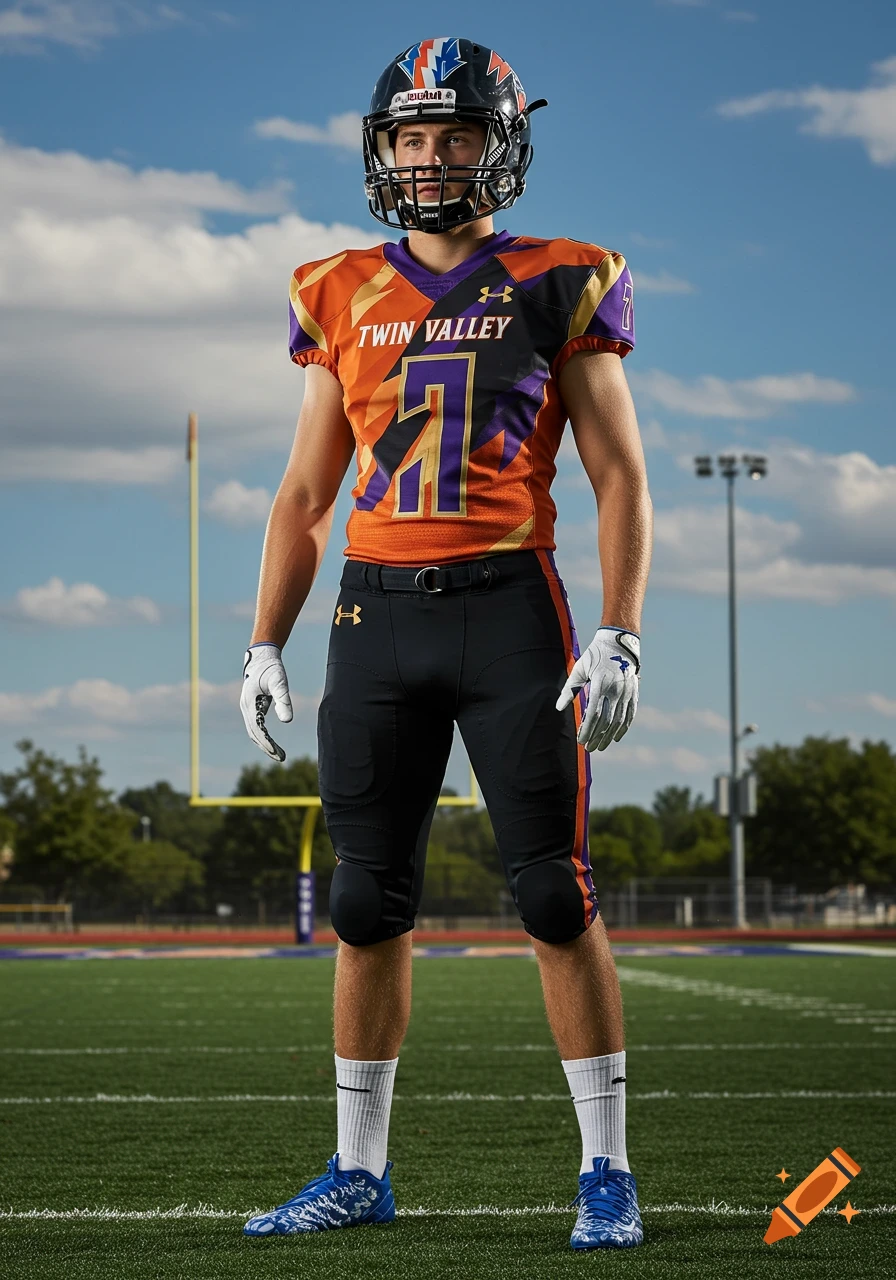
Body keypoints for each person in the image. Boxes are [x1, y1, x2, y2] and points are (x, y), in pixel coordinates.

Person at [239, 36, 652, 1252]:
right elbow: (305, 494)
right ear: (381, 151)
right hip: (374, 613)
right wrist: (264, 638)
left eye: (454, 134)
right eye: (410, 137)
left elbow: (616, 473)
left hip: (507, 607)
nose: (429, 159)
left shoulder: (558, 276)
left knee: (548, 892)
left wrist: (621, 628)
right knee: (366, 902)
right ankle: (358, 1169)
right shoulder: (334, 286)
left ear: (499, 144)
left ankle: (604, 1170)